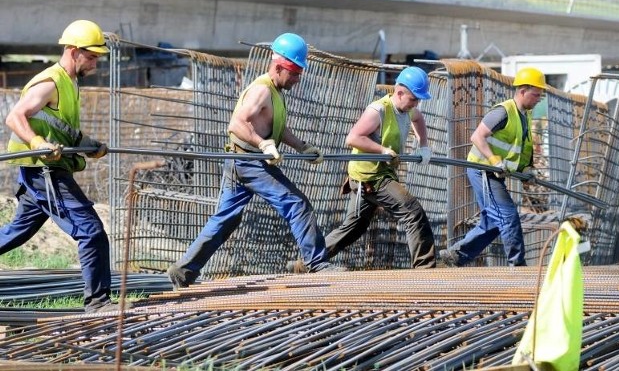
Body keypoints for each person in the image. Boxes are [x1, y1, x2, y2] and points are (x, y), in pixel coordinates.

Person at [167, 32, 345, 290]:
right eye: (294, 73)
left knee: (226, 219)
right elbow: (237, 123)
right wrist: (262, 144)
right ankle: (316, 263)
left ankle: (182, 272)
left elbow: (278, 127)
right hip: (248, 161)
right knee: (297, 204)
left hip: (241, 161)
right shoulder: (262, 90)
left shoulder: (276, 91)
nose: (297, 79)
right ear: (279, 66)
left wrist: (303, 147)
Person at [2, 19, 115, 312]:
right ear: (74, 51)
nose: (94, 64)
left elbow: (59, 126)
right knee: (90, 230)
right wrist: (37, 142)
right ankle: (99, 303)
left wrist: (90, 145)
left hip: (46, 168)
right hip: (44, 170)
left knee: (18, 231)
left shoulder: (70, 82)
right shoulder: (50, 81)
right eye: (91, 57)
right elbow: (15, 117)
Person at [290, 66, 437, 272]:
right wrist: (381, 149)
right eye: (414, 99)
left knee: (353, 228)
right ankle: (425, 269)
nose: (416, 103)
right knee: (412, 211)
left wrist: (424, 146)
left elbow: (418, 118)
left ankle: (304, 264)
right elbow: (353, 138)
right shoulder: (378, 110)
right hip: (371, 177)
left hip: (375, 175)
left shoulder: (407, 107)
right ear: (400, 92)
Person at [439, 67, 546, 267]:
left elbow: (521, 147)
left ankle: (456, 256)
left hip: (493, 172)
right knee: (507, 215)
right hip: (483, 170)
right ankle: (518, 265)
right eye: (536, 94)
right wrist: (495, 161)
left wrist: (526, 170)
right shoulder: (503, 111)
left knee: (493, 222)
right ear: (522, 91)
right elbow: (477, 136)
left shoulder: (524, 114)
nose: (539, 99)